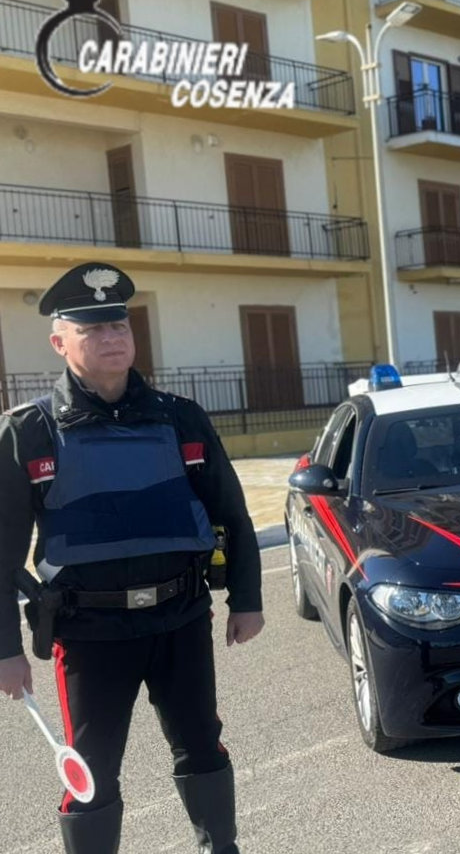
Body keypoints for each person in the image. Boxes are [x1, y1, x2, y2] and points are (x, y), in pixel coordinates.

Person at [0, 263, 264, 853]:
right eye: (92, 329)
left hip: (181, 616)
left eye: (119, 323)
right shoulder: (28, 433)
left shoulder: (181, 418)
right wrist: (5, 650)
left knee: (202, 745)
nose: (112, 336)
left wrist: (246, 600)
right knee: (90, 773)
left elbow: (231, 514)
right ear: (59, 341)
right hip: (90, 633)